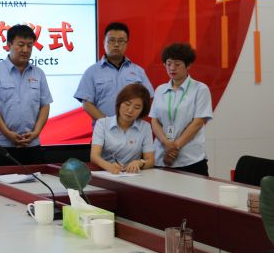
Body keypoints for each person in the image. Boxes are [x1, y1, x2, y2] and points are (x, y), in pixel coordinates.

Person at [0, 24, 53, 166]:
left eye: (29, 46)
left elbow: (44, 106)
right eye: (21, 45)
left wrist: (36, 132)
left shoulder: (38, 73)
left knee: (36, 180)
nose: (25, 50)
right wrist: (7, 133)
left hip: (31, 144)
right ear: (9, 45)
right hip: (1, 146)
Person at [150, 43, 213, 176]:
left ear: (188, 65)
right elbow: (154, 120)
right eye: (168, 64)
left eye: (177, 64)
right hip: (162, 156)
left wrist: (175, 146)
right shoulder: (160, 89)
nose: (172, 68)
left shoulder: (200, 89)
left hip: (190, 158)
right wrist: (166, 143)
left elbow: (198, 122)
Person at [74, 22, 154, 125]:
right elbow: (87, 104)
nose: (116, 44)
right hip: (103, 130)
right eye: (111, 40)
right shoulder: (92, 72)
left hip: (133, 130)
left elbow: (147, 100)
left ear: (126, 43)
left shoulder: (138, 71)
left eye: (120, 41)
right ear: (104, 42)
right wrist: (107, 123)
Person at [90, 83, 155, 174]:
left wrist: (140, 163)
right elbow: (94, 156)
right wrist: (109, 167)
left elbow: (150, 160)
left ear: (142, 110)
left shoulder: (145, 127)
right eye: (127, 104)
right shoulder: (102, 124)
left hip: (132, 175)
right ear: (119, 103)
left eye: (137, 107)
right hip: (106, 173)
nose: (130, 110)